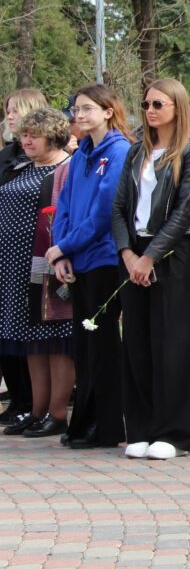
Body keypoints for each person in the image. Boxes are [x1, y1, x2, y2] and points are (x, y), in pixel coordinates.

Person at [111, 79, 190, 460]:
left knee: (172, 345)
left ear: (176, 108)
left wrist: (150, 257)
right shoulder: (137, 152)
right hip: (133, 254)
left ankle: (173, 433)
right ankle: (141, 427)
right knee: (136, 342)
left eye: (158, 104)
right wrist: (129, 255)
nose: (150, 111)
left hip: (172, 257)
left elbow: (184, 212)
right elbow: (118, 208)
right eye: (146, 104)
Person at [47, 85, 132, 449]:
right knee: (83, 346)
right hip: (77, 258)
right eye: (75, 110)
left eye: (86, 109)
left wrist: (65, 245)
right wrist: (61, 251)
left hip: (104, 259)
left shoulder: (119, 152)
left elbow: (104, 211)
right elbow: (65, 203)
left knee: (102, 345)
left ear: (108, 111)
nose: (78, 116)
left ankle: (107, 425)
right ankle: (84, 421)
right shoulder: (80, 153)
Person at [0, 108, 73, 438]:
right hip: (14, 267)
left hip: (49, 263)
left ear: (53, 136)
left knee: (55, 339)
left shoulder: (65, 168)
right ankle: (36, 409)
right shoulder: (23, 168)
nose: (26, 140)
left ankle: (57, 412)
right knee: (32, 341)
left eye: (34, 135)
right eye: (23, 135)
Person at [0, 88, 48, 427]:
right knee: (7, 326)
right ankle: (18, 397)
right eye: (7, 110)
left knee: (28, 326)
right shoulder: (8, 155)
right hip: (6, 252)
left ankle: (32, 401)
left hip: (32, 254)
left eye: (16, 109)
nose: (10, 116)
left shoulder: (46, 158)